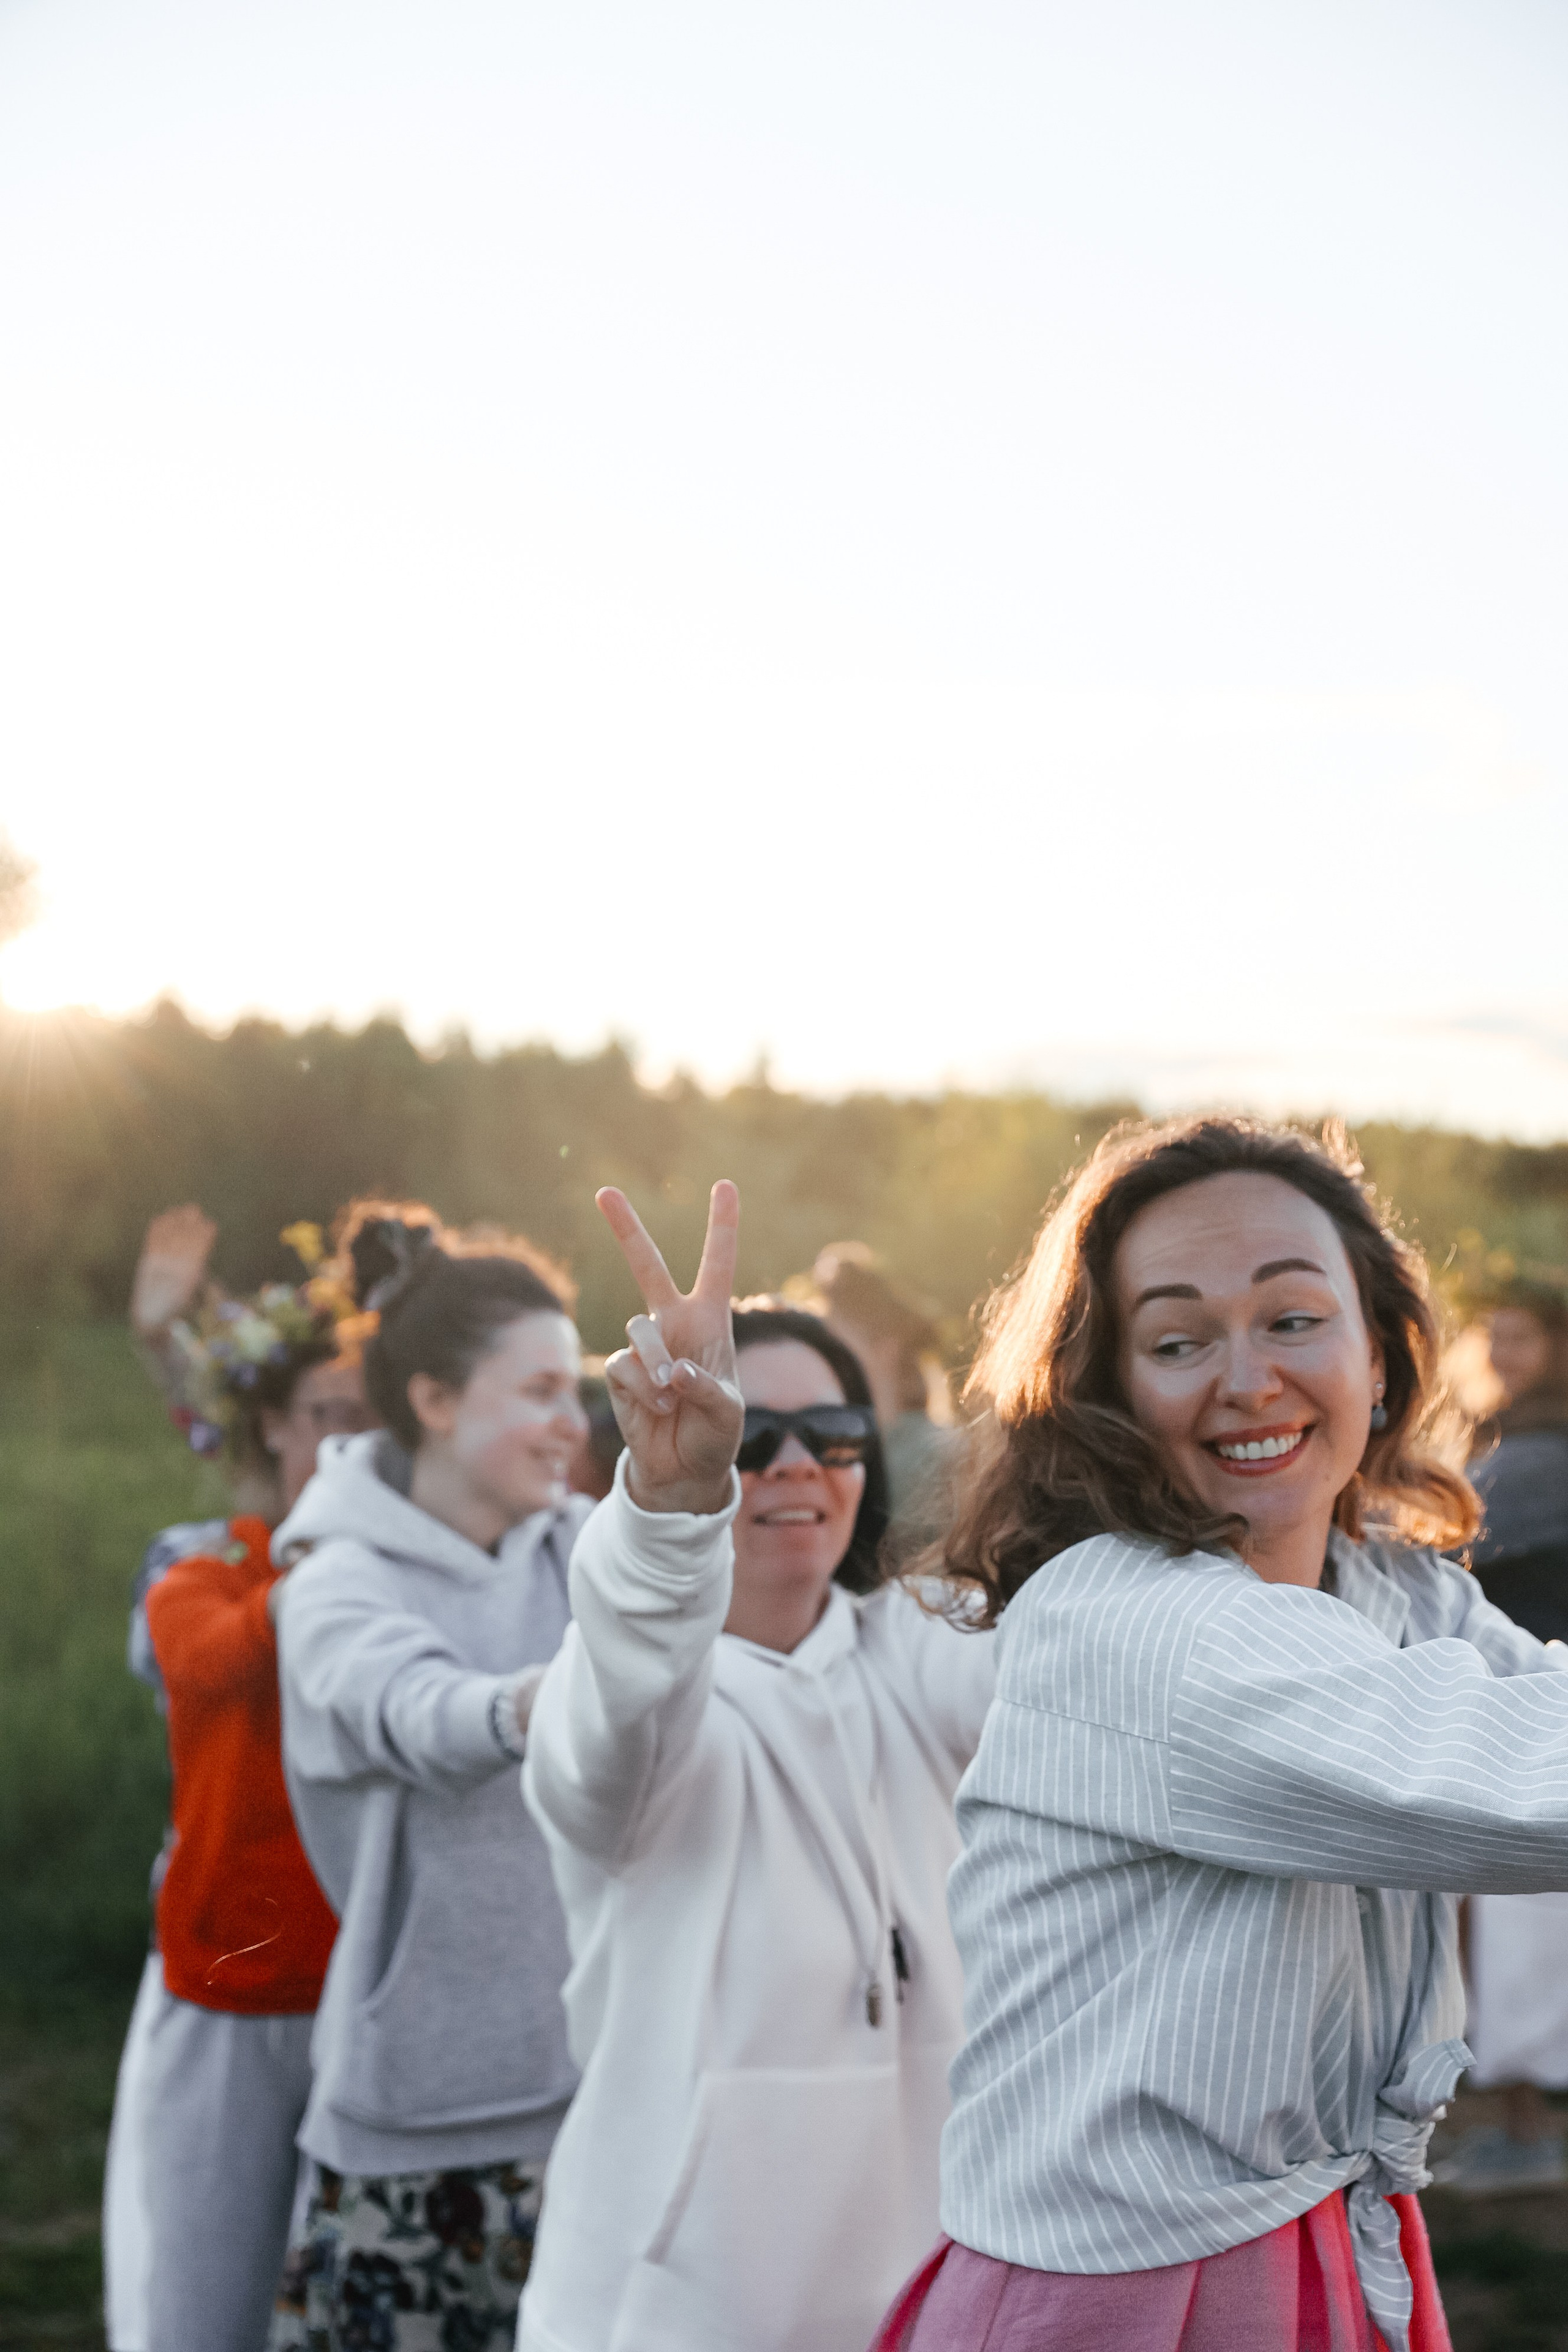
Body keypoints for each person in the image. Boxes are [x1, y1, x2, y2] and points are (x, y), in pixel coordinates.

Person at [873, 1115, 1568, 2352]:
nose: (1245, 1379)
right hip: (1129, 2296)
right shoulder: (1131, 1627)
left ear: (1378, 1352)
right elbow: (1523, 1778)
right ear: (1109, 1391)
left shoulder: (1388, 1587)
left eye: (1292, 1318)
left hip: (1328, 2243)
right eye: (1178, 1339)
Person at [517, 1182, 995, 2352]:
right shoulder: (627, 1711)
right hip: (674, 2309)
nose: (791, 1467)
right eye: (751, 1438)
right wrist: (677, 1505)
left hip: (932, 2302)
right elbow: (631, 1693)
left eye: (830, 1435)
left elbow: (1061, 1661)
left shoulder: (919, 1652)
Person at [270, 1209, 594, 2351]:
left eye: (578, 1388)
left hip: (600, 2106)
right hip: (414, 2137)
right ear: (437, 1402)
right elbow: (409, 1711)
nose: (573, 1422)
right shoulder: (332, 1581)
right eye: (542, 1390)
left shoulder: (584, 1546)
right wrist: (546, 1704)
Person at [103, 1208, 377, 2352]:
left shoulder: (403, 1557)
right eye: (332, 1419)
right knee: (203, 2296)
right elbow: (214, 1658)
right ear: (276, 1424)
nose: (357, 1444)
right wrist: (169, 1336)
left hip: (369, 2000)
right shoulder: (202, 1566)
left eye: (376, 1420)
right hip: (227, 1977)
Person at [1436, 1286, 1568, 2193]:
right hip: (1520, 1695)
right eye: (1494, 1334)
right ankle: (1521, 2128)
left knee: (1528, 1929)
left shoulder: (1543, 1444)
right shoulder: (1512, 1429)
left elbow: (1446, 1538)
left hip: (1541, 1701)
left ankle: (1527, 2137)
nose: (1502, 1349)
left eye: (1520, 1335)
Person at [801, 1239, 961, 1553]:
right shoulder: (820, 1451)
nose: (823, 1367)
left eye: (838, 1354)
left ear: (885, 1353)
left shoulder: (938, 1458)